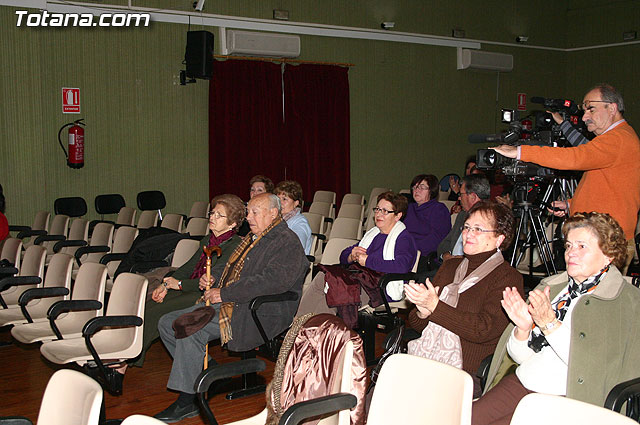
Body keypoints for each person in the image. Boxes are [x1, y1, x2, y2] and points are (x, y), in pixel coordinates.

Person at [153, 193, 309, 423]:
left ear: (273, 213)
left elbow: (270, 282)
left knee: (190, 329)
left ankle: (188, 401)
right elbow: (230, 267)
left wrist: (225, 293)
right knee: (166, 323)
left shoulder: (286, 241)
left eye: (255, 212)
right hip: (237, 303)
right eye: (248, 212)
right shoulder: (254, 238)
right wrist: (213, 278)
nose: (249, 217)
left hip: (261, 311)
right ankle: (209, 372)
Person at [473, 212, 640, 425]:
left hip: (568, 398)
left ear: (608, 254)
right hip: (523, 381)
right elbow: (521, 357)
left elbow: (591, 366)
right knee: (461, 418)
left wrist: (549, 324)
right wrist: (522, 329)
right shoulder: (554, 288)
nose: (571, 253)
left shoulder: (624, 301)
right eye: (569, 246)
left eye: (582, 246)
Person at [492, 84, 640, 268]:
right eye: (584, 111)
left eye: (591, 109)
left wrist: (520, 152)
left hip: (606, 241)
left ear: (612, 108)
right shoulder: (617, 138)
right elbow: (610, 187)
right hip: (600, 236)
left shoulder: (618, 139)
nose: (584, 117)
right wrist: (571, 204)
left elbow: (575, 157)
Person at [405, 201, 522, 397]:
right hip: (427, 358)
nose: (468, 234)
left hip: (466, 371)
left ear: (499, 238)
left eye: (478, 229)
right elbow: (418, 326)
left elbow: (483, 329)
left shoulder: (507, 277)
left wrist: (435, 307)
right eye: (467, 227)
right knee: (377, 395)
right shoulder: (451, 266)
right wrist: (423, 312)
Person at [129, 194, 245, 370]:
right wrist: (165, 284)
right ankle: (205, 363)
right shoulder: (208, 240)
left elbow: (215, 279)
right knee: (148, 306)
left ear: (232, 224)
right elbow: (188, 268)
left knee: (156, 314)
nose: (212, 218)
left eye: (219, 215)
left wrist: (179, 285)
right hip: (190, 287)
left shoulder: (234, 245)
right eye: (212, 213)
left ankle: (125, 362)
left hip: (204, 294)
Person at [296, 191, 417, 328]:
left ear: (398, 215)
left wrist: (368, 261)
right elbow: (344, 255)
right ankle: (298, 325)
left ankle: (314, 332)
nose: (378, 214)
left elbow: (401, 266)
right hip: (362, 280)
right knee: (322, 277)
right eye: (377, 209)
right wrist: (351, 255)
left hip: (380, 287)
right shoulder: (373, 234)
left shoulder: (403, 238)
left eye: (385, 211)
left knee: (335, 291)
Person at [437, 174, 491, 264]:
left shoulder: (490, 221)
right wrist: (445, 255)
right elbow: (445, 243)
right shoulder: (462, 215)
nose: (459, 198)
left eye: (461, 194)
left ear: (473, 197)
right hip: (450, 265)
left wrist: (463, 260)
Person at [403, 174, 451, 268]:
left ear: (431, 191)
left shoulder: (439, 209)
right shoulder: (409, 208)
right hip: (404, 252)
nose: (416, 190)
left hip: (423, 256)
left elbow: (437, 239)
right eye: (415, 187)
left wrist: (410, 248)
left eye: (422, 187)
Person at [274, 180, 312, 255]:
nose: (280, 203)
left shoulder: (300, 222)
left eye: (284, 199)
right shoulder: (276, 220)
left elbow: (295, 247)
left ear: (296, 203)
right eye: (278, 199)